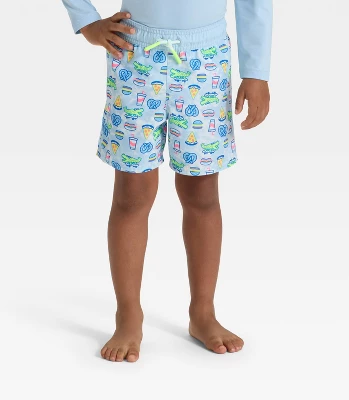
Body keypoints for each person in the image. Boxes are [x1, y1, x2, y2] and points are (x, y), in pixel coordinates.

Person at [62, 0, 272, 362]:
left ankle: (203, 312)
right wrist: (87, 21)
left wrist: (256, 71)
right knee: (132, 195)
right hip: (135, 56)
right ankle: (128, 314)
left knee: (202, 194)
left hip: (205, 62)